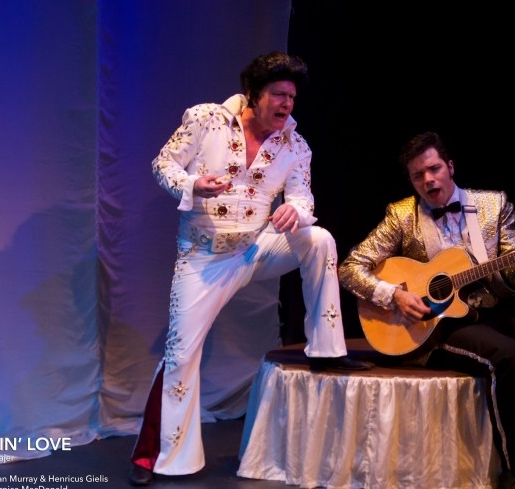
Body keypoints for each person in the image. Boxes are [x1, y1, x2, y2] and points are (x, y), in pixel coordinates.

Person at [128, 51, 372, 486]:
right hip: (205, 257)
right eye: (278, 95)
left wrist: (295, 212)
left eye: (292, 97)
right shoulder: (206, 119)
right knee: (181, 353)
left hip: (256, 248)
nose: (286, 105)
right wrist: (191, 184)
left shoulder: (295, 145)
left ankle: (326, 350)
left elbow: (303, 198)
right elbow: (161, 164)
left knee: (319, 239)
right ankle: (160, 456)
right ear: (253, 95)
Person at [337, 131, 515, 489]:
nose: (428, 180)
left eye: (434, 169)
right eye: (418, 175)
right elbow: (349, 268)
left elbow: (513, 272)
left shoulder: (493, 205)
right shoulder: (401, 215)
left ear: (450, 167)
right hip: (442, 325)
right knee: (510, 354)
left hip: (497, 309)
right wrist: (393, 296)